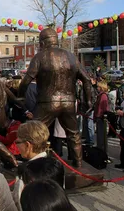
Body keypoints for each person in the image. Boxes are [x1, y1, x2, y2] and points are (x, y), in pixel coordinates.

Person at [18, 28, 92, 168]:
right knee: (74, 134)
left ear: (43, 42)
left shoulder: (40, 57)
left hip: (47, 102)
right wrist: (88, 100)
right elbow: (87, 79)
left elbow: (26, 80)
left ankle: (33, 163)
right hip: (68, 101)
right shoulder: (71, 56)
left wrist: (20, 97)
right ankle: (79, 163)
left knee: (35, 132)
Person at [94, 81, 109, 155]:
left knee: (101, 135)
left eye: (98, 87)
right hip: (99, 116)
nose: (97, 88)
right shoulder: (100, 95)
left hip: (101, 117)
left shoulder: (103, 96)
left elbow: (103, 107)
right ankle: (100, 148)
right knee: (99, 134)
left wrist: (99, 116)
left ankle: (101, 150)